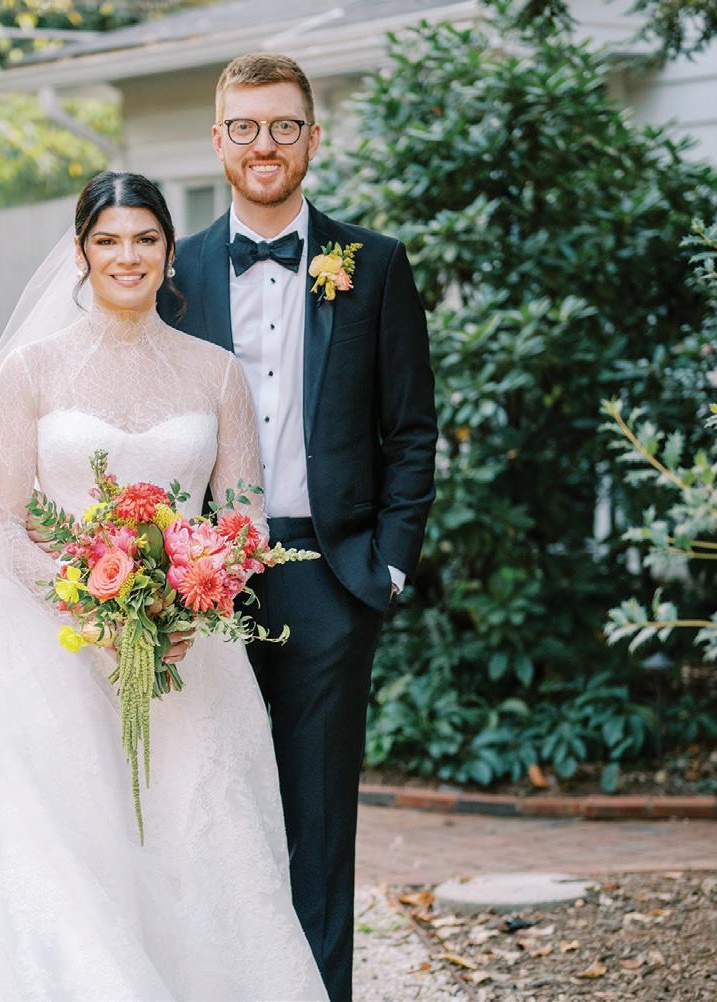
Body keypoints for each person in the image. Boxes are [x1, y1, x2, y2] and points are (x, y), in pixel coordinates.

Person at [0, 171, 329, 1001]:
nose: (127, 256)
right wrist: (95, 610)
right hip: (56, 658)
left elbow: (244, 521)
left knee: (201, 847)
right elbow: (2, 528)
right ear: (80, 252)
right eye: (108, 240)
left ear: (169, 252)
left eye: (145, 239)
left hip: (188, 657)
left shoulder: (215, 375)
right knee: (63, 855)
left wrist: (187, 598)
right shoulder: (29, 372)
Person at [157, 53, 438, 1002]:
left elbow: (410, 429)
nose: (264, 144)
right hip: (205, 581)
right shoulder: (176, 270)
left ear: (313, 138)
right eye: (244, 127)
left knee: (318, 822)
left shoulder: (375, 265)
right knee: (210, 810)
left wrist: (387, 566)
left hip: (331, 574)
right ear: (218, 140)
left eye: (283, 125)